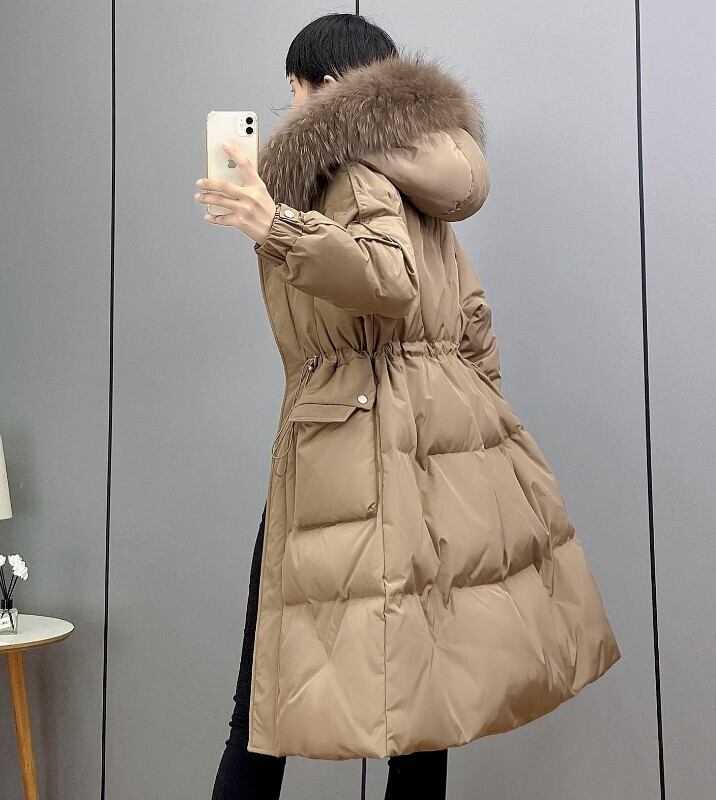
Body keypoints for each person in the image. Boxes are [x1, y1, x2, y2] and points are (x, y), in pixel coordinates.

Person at [196, 11, 621, 800]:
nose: (291, 106)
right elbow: (474, 321)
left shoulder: (349, 173)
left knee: (260, 710)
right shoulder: (419, 182)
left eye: (296, 88)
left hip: (348, 449)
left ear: (331, 86)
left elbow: (386, 282)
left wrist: (275, 225)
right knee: (426, 709)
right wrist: (477, 436)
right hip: (435, 454)